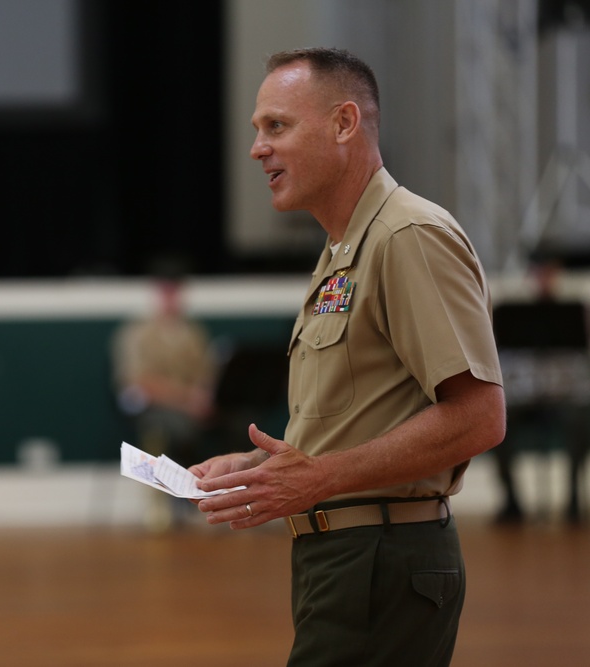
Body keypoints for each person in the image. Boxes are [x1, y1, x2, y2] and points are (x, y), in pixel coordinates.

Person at [189, 48, 505, 666]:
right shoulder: (344, 249)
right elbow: (366, 416)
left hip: (383, 560)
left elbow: (478, 417)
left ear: (343, 123)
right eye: (257, 130)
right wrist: (260, 467)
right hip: (345, 560)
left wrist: (320, 479)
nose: (258, 148)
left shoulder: (405, 237)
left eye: (276, 126)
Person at [112, 277, 216, 530]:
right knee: (168, 427)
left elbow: (206, 374)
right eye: (166, 292)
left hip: (192, 409)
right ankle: (162, 503)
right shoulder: (137, 334)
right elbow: (139, 381)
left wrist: (204, 397)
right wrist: (186, 400)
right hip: (154, 408)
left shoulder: (193, 333)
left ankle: (213, 498)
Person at [492, 258, 590, 525]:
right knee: (495, 426)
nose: (544, 279)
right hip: (526, 398)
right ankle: (512, 500)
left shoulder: (573, 313)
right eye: (539, 274)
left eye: (550, 273)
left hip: (562, 397)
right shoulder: (511, 315)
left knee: (578, 421)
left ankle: (573, 500)